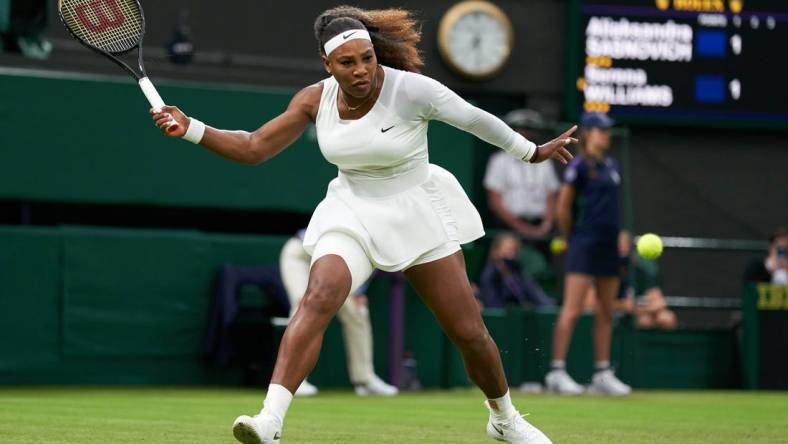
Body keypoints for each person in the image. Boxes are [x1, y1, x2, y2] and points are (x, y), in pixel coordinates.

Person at [152, 6, 575, 443]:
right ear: (327, 64)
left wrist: (531, 151)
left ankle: (504, 418)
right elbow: (255, 147)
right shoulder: (313, 99)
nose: (361, 70)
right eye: (347, 63)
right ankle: (270, 420)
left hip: (416, 209)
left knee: (469, 333)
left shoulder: (412, 90)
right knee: (318, 297)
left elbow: (475, 119)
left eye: (367, 58)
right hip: (351, 209)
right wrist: (191, 128)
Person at [544, 112, 631, 396]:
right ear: (589, 134)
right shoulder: (578, 166)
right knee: (573, 309)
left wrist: (620, 236)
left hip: (608, 246)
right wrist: (572, 238)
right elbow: (563, 209)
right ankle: (556, 372)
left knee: (606, 310)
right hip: (584, 244)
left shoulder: (612, 166)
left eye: (607, 131)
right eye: (601, 130)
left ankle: (602, 374)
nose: (606, 135)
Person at [279, 230, 398, 397]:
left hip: (334, 260)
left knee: (357, 311)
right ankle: (294, 381)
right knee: (303, 308)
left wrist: (357, 290)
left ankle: (364, 379)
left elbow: (369, 263)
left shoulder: (381, 237)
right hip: (301, 256)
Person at [484, 109, 560, 258]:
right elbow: (495, 200)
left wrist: (546, 225)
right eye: (521, 129)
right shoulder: (499, 161)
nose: (526, 133)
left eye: (530, 129)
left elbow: (552, 195)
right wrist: (519, 227)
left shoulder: (545, 162)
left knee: (542, 270)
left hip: (541, 230)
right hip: (509, 229)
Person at [584, 231, 677, 330]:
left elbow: (659, 303)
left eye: (624, 248)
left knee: (664, 318)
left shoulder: (639, 272)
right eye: (617, 248)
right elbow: (589, 304)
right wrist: (622, 305)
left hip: (632, 316)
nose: (621, 252)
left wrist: (638, 308)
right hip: (607, 316)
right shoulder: (602, 271)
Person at [477, 232, 555, 308]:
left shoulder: (518, 270)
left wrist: (550, 307)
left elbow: (536, 294)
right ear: (496, 252)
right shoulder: (489, 275)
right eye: (508, 250)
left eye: (515, 251)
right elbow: (493, 305)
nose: (511, 255)